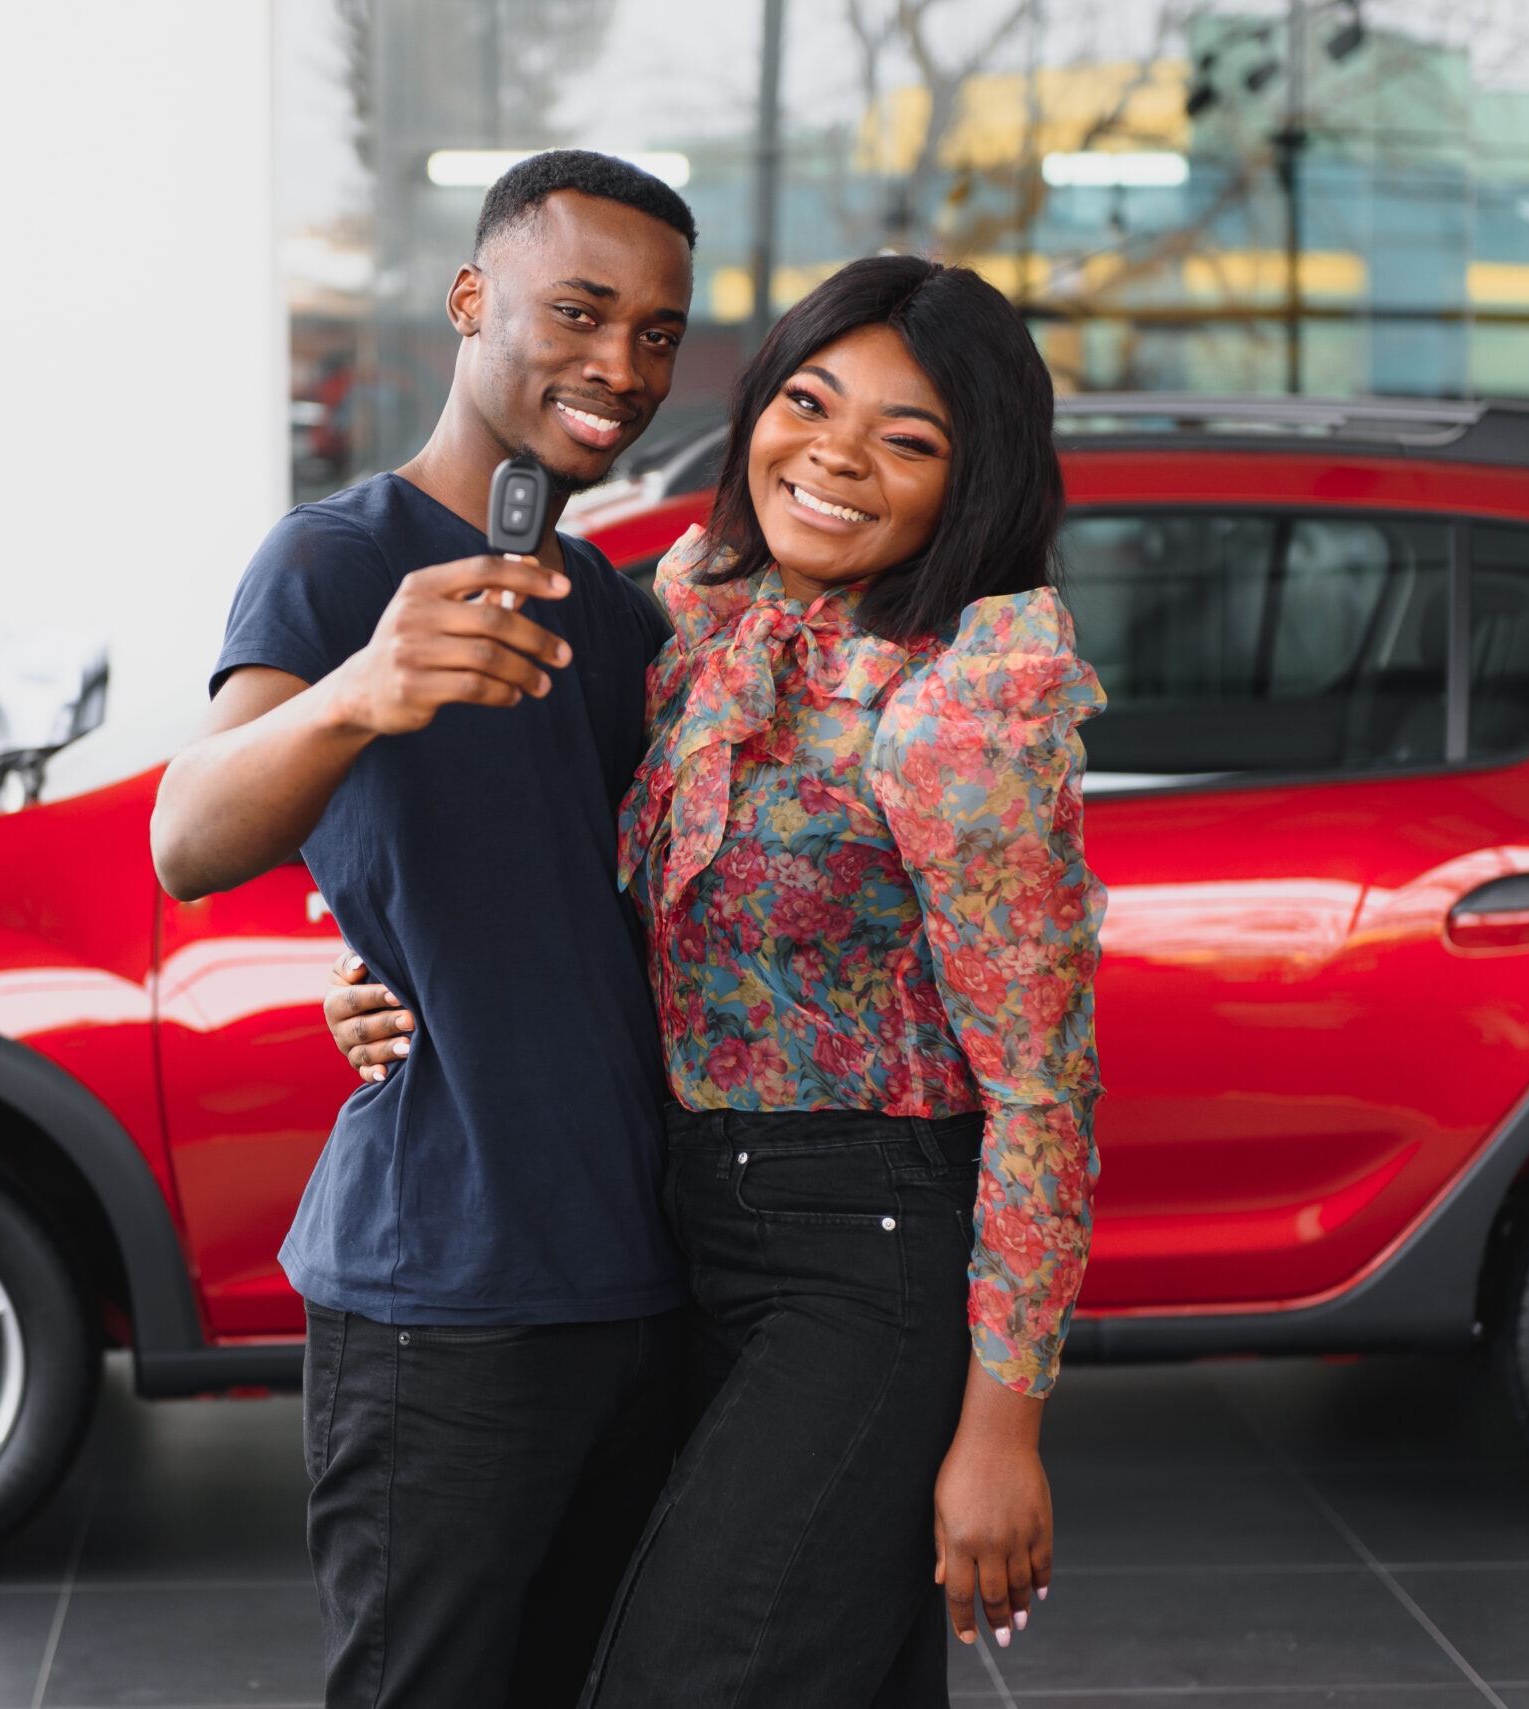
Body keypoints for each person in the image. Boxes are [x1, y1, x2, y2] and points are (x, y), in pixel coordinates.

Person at [327, 255, 1104, 1705]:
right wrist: (373, 968)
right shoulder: (700, 625)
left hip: (866, 1246)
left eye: (909, 438)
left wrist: (1005, 1427)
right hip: (685, 1227)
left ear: (974, 481)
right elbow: (561, 865)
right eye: (809, 401)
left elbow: (1043, 1091)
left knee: (693, 1673)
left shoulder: (959, 706)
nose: (837, 455)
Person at [149, 152, 697, 1709]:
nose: (619, 366)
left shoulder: (615, 609)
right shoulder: (335, 560)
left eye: (656, 333)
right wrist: (360, 693)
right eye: (580, 312)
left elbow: (581, 903)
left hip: (635, 1275)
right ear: (473, 301)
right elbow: (191, 837)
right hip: (441, 1291)